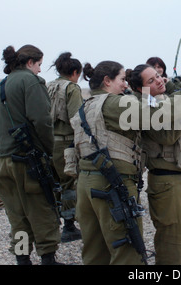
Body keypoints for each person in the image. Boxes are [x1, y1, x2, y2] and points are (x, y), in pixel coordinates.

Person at [126, 64, 181, 265]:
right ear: (140, 89)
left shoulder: (172, 99)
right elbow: (167, 135)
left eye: (158, 76)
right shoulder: (142, 106)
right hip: (167, 180)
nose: (158, 81)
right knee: (174, 239)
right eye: (151, 81)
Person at [70, 60, 148, 265]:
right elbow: (154, 117)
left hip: (86, 185)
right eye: (122, 79)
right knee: (127, 251)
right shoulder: (113, 103)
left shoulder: (85, 106)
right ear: (107, 81)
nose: (126, 85)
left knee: (95, 251)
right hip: (111, 184)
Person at [0, 44, 63, 265]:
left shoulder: (2, 85)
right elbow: (42, 120)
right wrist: (50, 152)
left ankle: (23, 259)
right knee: (42, 211)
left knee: (18, 216)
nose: (40, 70)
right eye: (39, 65)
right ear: (30, 62)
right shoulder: (30, 81)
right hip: (27, 162)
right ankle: (47, 259)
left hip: (3, 161)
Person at [46, 52, 83, 243]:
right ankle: (69, 225)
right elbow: (77, 118)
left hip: (49, 141)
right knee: (69, 182)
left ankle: (54, 223)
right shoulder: (72, 88)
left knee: (54, 183)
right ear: (74, 72)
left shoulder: (48, 86)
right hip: (66, 141)